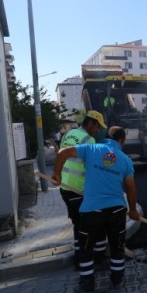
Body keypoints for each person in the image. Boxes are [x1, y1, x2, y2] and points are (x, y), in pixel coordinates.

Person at [52, 126, 141, 292]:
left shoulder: (92, 149)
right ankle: (117, 278)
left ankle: (87, 283)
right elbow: (131, 188)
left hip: (92, 211)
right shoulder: (125, 159)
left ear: (107, 136)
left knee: (86, 248)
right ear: (122, 140)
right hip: (116, 211)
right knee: (117, 245)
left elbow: (63, 152)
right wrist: (134, 211)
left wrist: (57, 173)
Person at [58, 110, 108, 269]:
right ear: (91, 122)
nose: (98, 130)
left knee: (78, 224)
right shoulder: (89, 140)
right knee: (95, 224)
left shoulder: (69, 134)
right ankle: (96, 259)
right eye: (97, 126)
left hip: (65, 187)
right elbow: (93, 168)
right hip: (79, 188)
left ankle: (79, 257)